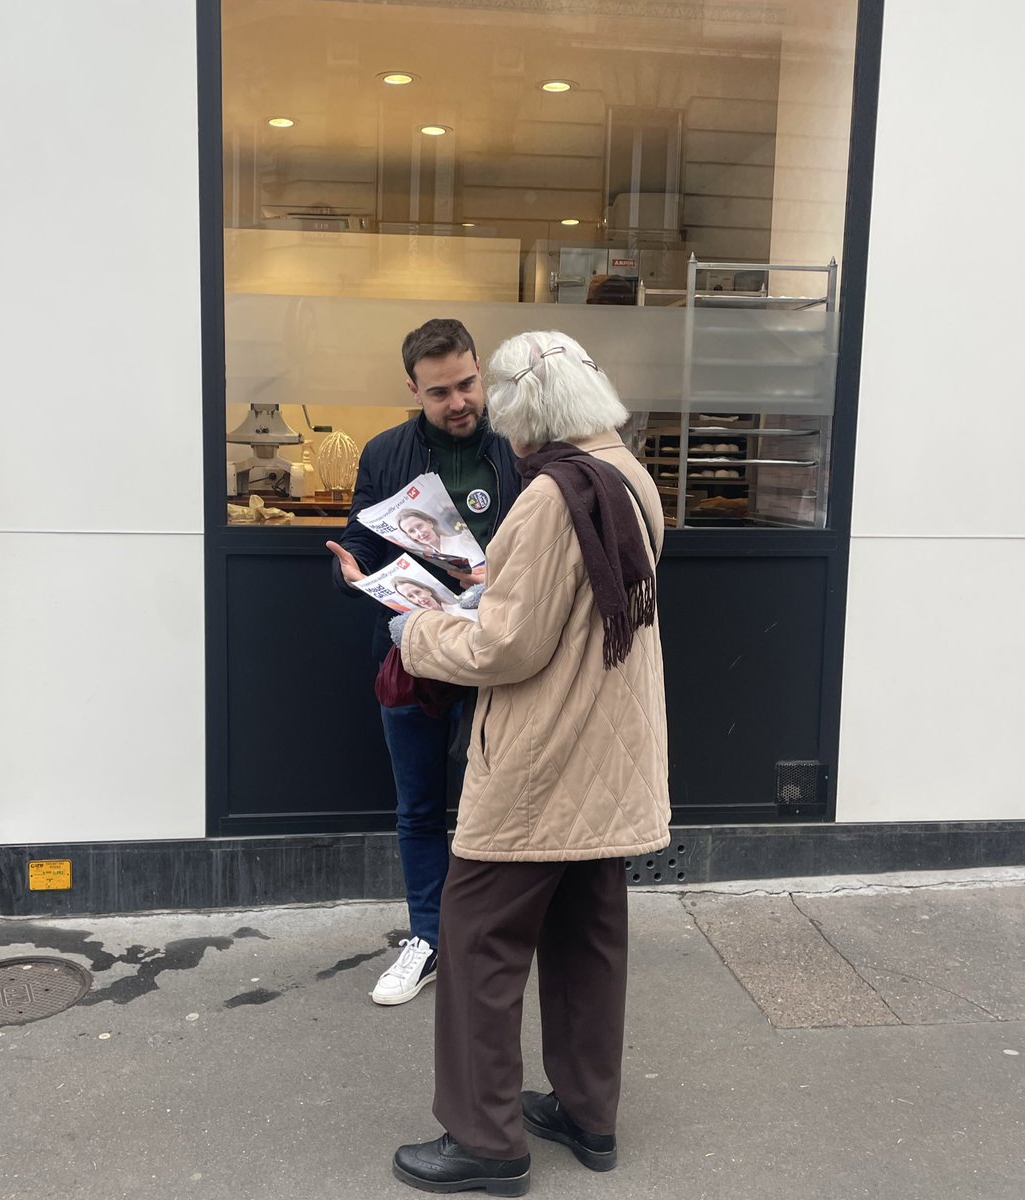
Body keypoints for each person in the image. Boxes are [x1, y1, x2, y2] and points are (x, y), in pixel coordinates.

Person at [385, 330, 670, 1195]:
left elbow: (509, 648)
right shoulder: (628, 473)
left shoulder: (552, 497)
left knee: (475, 942)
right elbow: (579, 608)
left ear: (526, 413)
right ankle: (589, 1114)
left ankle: (484, 1141)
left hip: (542, 758)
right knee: (588, 940)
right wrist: (490, 595)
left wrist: (420, 628)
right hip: (609, 752)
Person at [326, 318, 521, 1007]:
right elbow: (365, 541)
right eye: (440, 392)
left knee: (495, 799)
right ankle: (429, 937)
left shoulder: (517, 446)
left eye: (467, 384)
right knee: (417, 806)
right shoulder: (386, 452)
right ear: (414, 389)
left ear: (480, 374)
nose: (459, 401)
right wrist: (352, 575)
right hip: (412, 650)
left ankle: (489, 937)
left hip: (499, 654)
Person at [397, 509, 482, 567]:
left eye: (420, 526)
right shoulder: (433, 561)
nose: (420, 533)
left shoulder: (463, 540)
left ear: (429, 523)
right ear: (410, 536)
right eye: (412, 531)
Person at [392, 577, 460, 614]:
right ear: (410, 601)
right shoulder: (428, 625)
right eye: (411, 596)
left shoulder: (456, 606)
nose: (419, 599)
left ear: (427, 590)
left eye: (418, 592)